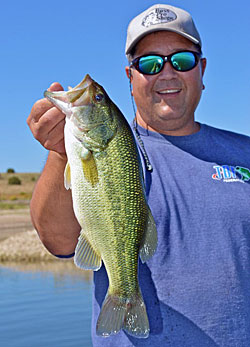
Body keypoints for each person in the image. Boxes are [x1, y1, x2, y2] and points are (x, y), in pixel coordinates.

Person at [27, 4, 250, 346]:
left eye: (182, 60)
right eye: (149, 64)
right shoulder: (114, 148)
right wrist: (59, 153)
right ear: (130, 78)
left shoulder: (244, 152)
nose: (167, 73)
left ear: (202, 70)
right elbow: (58, 240)